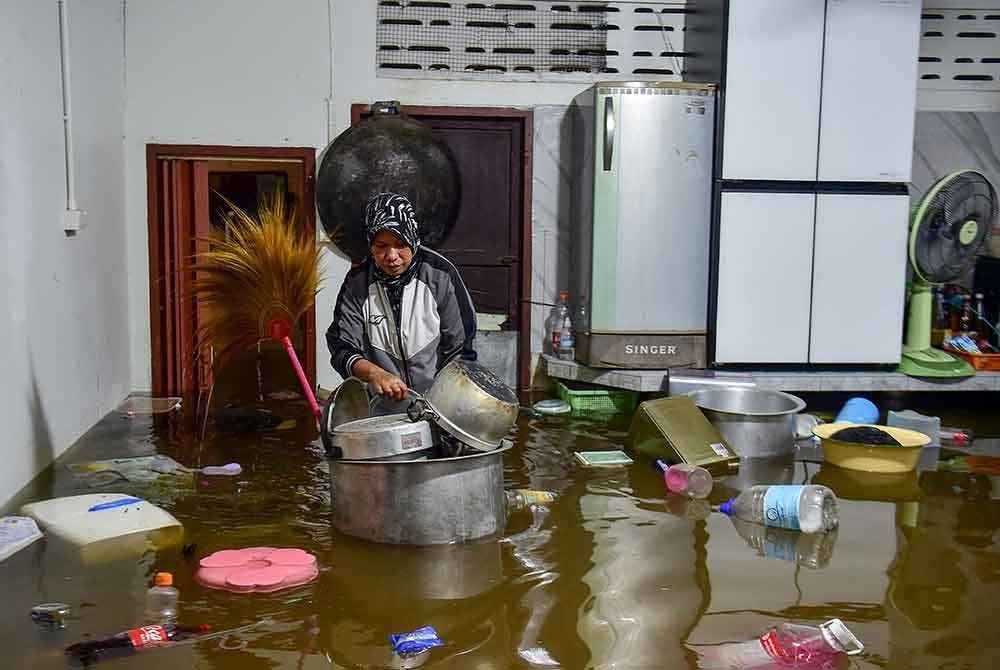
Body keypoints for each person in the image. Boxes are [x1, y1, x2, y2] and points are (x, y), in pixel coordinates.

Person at [326, 193, 477, 405]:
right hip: (381, 409)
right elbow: (342, 346)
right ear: (370, 244)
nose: (391, 256)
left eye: (400, 244)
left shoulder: (440, 276)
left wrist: (441, 401)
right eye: (381, 246)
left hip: (437, 404)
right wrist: (375, 374)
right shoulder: (357, 284)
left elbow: (462, 348)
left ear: (413, 238)